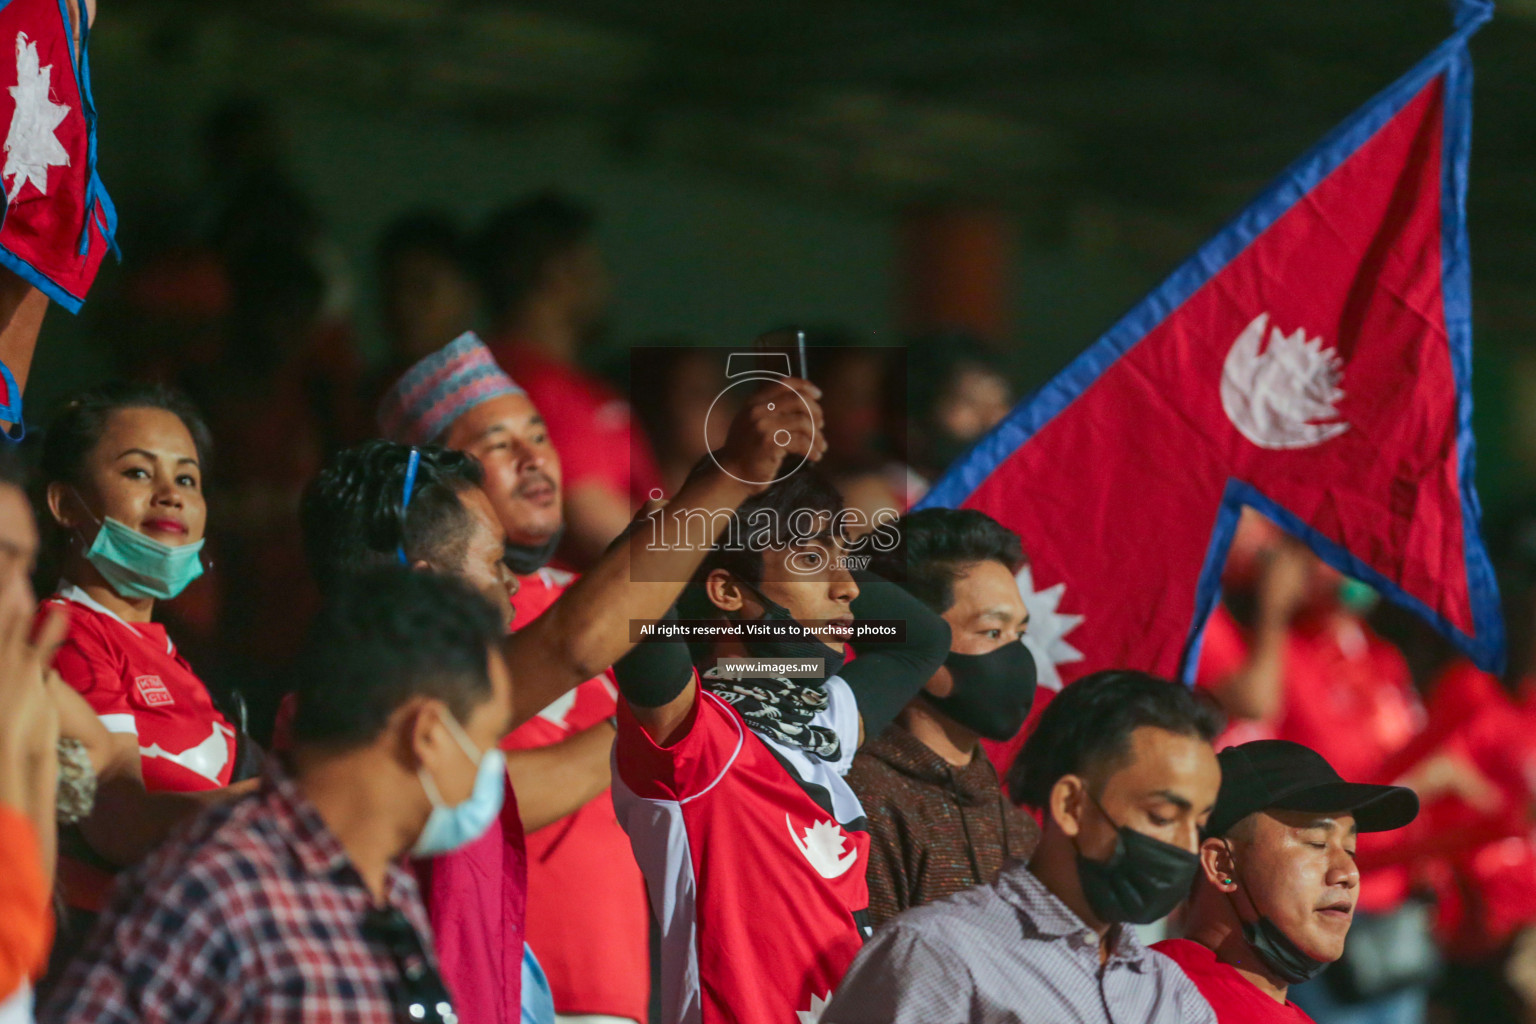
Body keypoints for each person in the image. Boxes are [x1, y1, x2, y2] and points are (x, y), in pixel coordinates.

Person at [303, 372, 825, 1024]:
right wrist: (732, 476)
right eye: (494, 569)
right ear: (429, 588)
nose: (511, 593)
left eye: (539, 435)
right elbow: (573, 644)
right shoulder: (376, 704)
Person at [41, 568, 511, 1024]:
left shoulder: (391, 894)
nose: (491, 768)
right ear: (426, 734)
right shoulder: (214, 889)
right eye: (487, 740)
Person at [607, 467, 952, 1024]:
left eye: (846, 564)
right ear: (725, 590)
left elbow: (923, 640)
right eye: (812, 561)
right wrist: (725, 490)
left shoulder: (817, 727)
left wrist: (826, 543)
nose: (850, 588)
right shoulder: (694, 738)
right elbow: (639, 603)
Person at [378, 331, 649, 1023]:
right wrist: (643, 731)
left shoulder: (600, 602)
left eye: (539, 434)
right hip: (509, 996)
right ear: (444, 487)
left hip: (631, 996)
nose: (536, 457)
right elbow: (461, 804)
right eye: (498, 444)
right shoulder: (426, 626)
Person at [822, 669, 1222, 1024]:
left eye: (1200, 825)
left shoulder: (1174, 999)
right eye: (1163, 817)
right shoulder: (940, 956)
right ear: (1071, 805)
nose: (1188, 847)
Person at [35, 383, 257, 934]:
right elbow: (118, 817)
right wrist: (274, 808)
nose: (170, 495)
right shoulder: (66, 635)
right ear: (66, 505)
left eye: (187, 479)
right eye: (138, 473)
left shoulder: (169, 655)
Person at [849, 507, 1041, 927]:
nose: (1018, 658)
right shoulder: (860, 805)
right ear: (916, 642)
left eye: (1019, 634)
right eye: (993, 632)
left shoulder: (1023, 833)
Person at [1154, 739, 1420, 1023]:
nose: (1349, 873)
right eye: (1317, 842)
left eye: (1351, 850)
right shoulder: (1148, 998)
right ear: (1221, 864)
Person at [475, 191, 663, 563]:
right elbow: (601, 525)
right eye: (595, 262)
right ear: (559, 271)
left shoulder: (481, 374)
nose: (606, 278)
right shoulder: (547, 390)